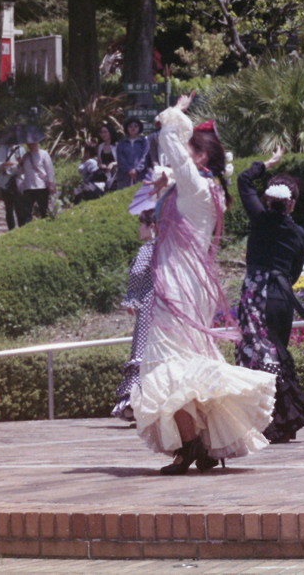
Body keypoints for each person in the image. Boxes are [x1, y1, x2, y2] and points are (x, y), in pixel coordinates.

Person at [132, 94, 276, 475]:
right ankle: (202, 444)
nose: (180, 153)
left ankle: (191, 444)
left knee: (169, 365)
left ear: (200, 158)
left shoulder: (195, 186)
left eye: (189, 149)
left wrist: (177, 114)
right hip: (188, 287)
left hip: (177, 287)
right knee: (188, 364)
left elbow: (166, 139)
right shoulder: (207, 191)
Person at [234, 147, 304, 443]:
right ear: (291, 205)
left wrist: (266, 164)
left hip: (255, 296)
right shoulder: (297, 232)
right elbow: (296, 268)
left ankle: (258, 420)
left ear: (268, 200)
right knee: (278, 353)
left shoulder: (259, 219)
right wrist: (281, 281)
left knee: (255, 354)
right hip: (282, 297)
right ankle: (283, 420)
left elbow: (243, 181)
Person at [112, 209, 157, 421]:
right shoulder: (168, 247)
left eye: (142, 224)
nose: (139, 229)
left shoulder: (148, 248)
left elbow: (138, 272)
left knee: (141, 348)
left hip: (148, 301)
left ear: (151, 226)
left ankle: (135, 401)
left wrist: (131, 297)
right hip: (166, 303)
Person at [18, 140, 56, 223]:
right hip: (28, 187)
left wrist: (51, 183)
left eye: (32, 143)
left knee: (44, 211)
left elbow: (49, 170)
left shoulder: (43, 154)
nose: (30, 145)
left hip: (41, 187)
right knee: (26, 212)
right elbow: (21, 172)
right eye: (28, 143)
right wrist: (20, 164)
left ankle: (46, 229)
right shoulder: (26, 156)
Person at [0, 142, 25, 230]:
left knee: (19, 206)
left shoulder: (20, 149)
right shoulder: (1, 149)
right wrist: (2, 165)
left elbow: (24, 165)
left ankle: (22, 228)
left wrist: (19, 163)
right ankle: (11, 229)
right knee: (8, 207)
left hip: (17, 180)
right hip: (5, 181)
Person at [113, 118, 149, 191]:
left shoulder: (144, 142)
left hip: (140, 175)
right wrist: (129, 170)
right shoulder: (122, 143)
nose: (133, 128)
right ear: (126, 128)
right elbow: (120, 158)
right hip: (124, 175)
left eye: (136, 126)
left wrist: (137, 170)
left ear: (139, 128)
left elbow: (145, 156)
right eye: (130, 126)